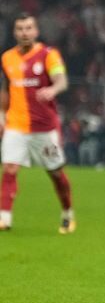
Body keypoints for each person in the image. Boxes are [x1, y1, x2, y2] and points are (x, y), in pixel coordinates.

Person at [0, 13, 75, 233]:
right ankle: (4, 218)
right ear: (14, 32)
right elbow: (5, 89)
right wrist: (2, 114)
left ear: (36, 31)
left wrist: (53, 89)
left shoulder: (48, 55)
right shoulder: (7, 58)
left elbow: (62, 80)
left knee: (56, 173)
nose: (25, 32)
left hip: (44, 128)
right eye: (20, 28)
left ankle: (67, 212)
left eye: (28, 28)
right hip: (16, 125)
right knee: (10, 168)